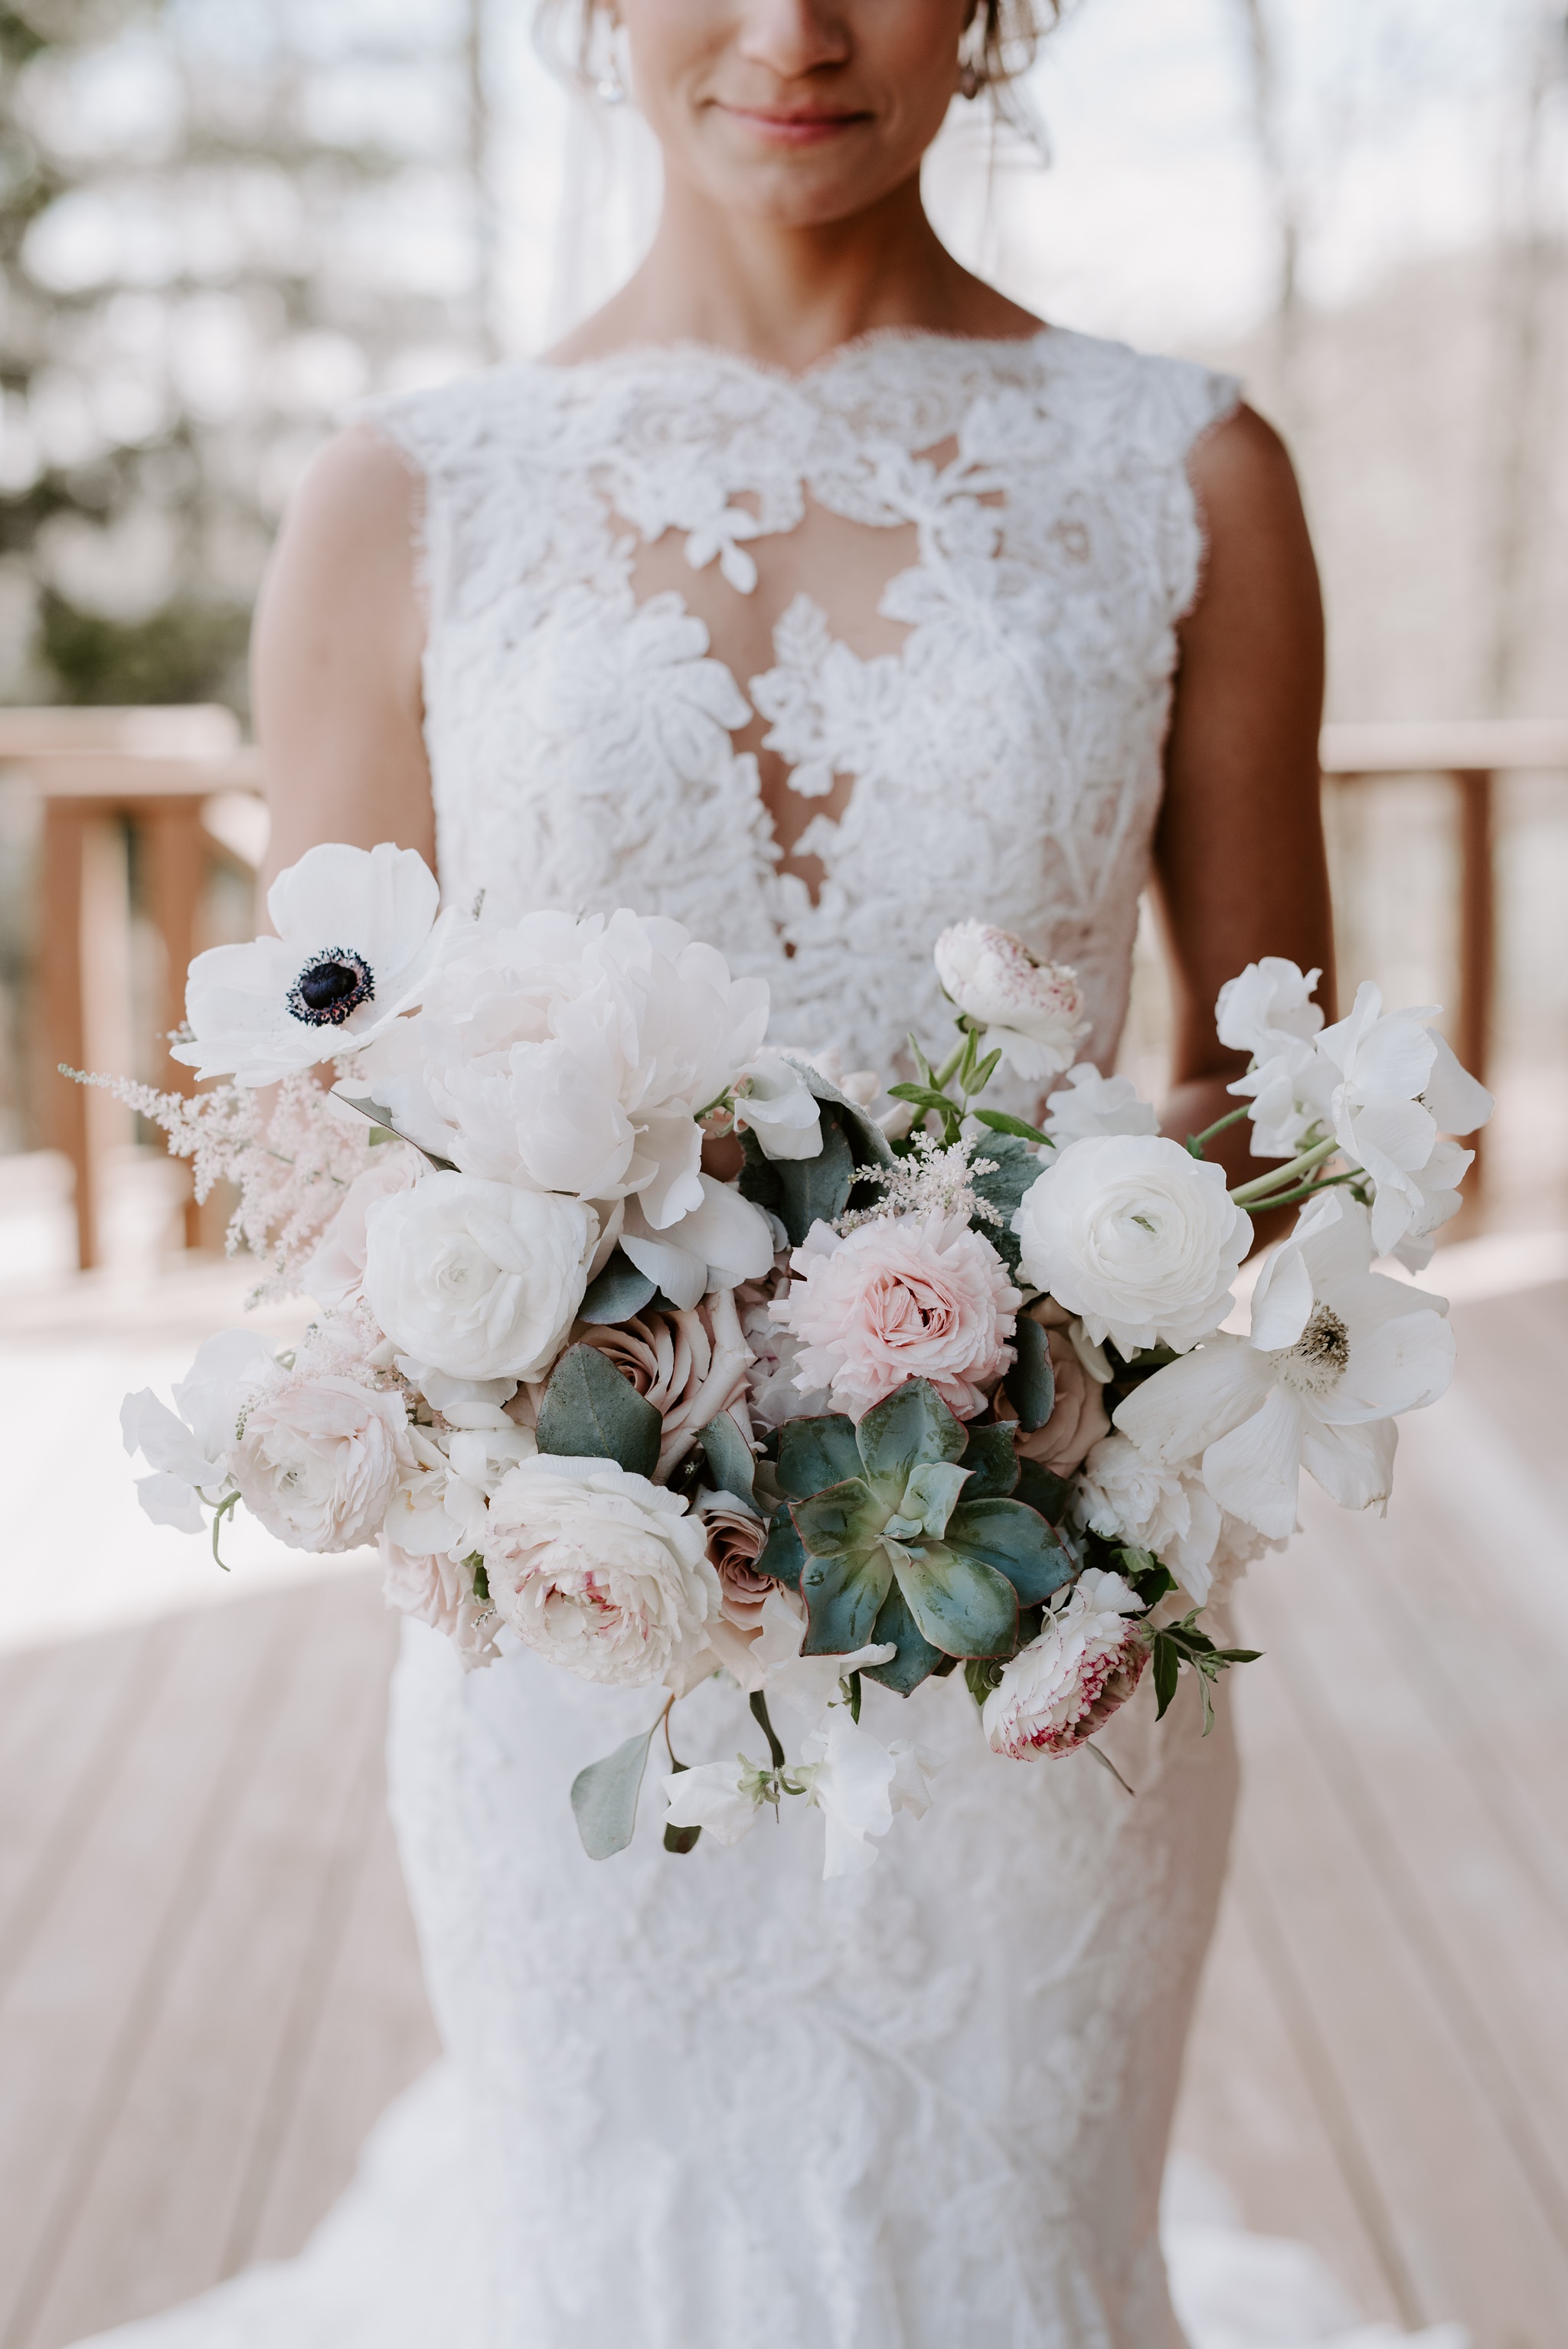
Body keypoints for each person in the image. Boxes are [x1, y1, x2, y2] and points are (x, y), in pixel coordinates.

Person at [82, 5, 1416, 2345]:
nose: (795, 30)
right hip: (583, 1645)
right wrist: (599, 1421)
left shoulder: (1185, 469)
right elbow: (337, 1127)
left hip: (1040, 1637)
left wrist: (1026, 1377)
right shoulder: (404, 495)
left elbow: (1266, 1107)